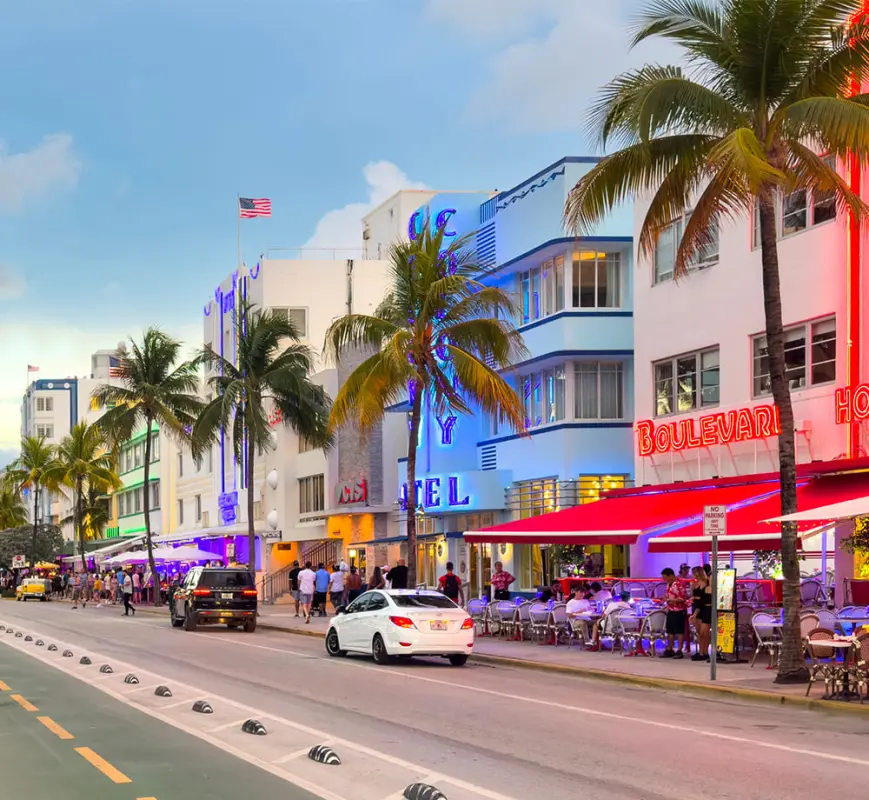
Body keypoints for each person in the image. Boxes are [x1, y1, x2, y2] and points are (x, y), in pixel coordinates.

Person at [661, 567, 690, 659]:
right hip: (671, 609)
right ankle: (670, 648)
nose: (664, 580)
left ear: (670, 576)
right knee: (670, 630)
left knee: (679, 631)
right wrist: (666, 599)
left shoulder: (679, 584)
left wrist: (671, 600)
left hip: (679, 610)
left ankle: (679, 650)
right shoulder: (669, 585)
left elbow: (682, 598)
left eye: (665, 577)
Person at [690, 566, 712, 662]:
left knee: (704, 633)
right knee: (700, 633)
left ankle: (705, 652)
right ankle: (701, 652)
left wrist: (696, 599)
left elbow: (703, 599)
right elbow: (694, 597)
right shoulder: (695, 584)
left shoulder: (707, 584)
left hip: (705, 608)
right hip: (697, 607)